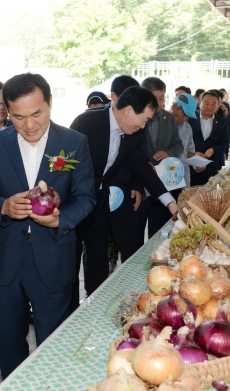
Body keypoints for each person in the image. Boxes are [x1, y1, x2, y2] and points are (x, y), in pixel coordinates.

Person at [0, 72, 96, 379]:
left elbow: (86, 198)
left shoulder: (73, 143)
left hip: (53, 255)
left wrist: (62, 219)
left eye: (36, 113)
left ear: (50, 104)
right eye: (18, 116)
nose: (29, 125)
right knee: (10, 341)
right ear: (6, 111)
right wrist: (2, 205)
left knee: (53, 342)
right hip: (6, 260)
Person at [70, 86, 179, 296]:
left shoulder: (127, 134)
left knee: (97, 256)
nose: (143, 125)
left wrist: (170, 202)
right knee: (70, 262)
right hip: (73, 203)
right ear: (128, 110)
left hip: (98, 201)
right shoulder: (87, 123)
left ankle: (95, 301)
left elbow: (140, 167)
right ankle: (70, 310)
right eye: (145, 119)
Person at [137, 77, 184, 242]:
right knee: (135, 236)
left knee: (159, 235)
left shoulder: (168, 118)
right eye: (155, 97)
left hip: (164, 184)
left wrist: (168, 152)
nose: (159, 102)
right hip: (140, 189)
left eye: (162, 97)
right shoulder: (136, 117)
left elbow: (179, 145)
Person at [187, 90, 229, 186]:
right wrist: (193, 154)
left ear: (218, 105)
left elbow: (225, 143)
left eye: (214, 104)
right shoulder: (189, 118)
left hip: (211, 166)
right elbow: (182, 141)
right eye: (206, 103)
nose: (210, 107)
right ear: (200, 102)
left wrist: (213, 149)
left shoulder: (222, 122)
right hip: (189, 165)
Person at [170, 93, 197, 187]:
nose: (184, 118)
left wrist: (196, 164)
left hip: (183, 177)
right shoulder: (160, 123)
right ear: (174, 106)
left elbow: (190, 150)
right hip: (165, 175)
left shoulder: (187, 127)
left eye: (188, 116)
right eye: (184, 114)